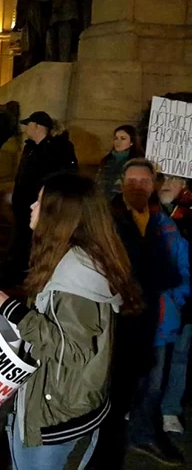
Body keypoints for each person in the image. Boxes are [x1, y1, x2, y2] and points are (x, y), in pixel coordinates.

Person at [0, 173, 141, 470]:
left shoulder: (76, 274)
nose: (31, 206)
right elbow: (43, 324)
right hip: (49, 400)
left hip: (57, 414)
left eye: (40, 202)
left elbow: (72, 351)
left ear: (59, 214)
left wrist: (12, 310)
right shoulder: (68, 261)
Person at [106, 158, 188, 467]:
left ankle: (142, 434)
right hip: (122, 321)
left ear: (153, 185)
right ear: (122, 184)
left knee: (153, 385)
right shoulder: (109, 221)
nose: (138, 186)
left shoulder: (166, 224)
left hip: (160, 319)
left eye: (144, 181)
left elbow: (182, 269)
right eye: (131, 181)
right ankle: (108, 439)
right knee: (117, 385)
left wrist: (177, 298)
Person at [8, 111, 77, 283]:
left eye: (28, 125)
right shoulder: (30, 148)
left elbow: (63, 178)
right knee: (22, 241)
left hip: (45, 207)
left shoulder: (58, 148)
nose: (25, 129)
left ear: (37, 126)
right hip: (24, 205)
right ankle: (19, 273)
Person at [158, 174, 192, 434]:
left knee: (179, 357)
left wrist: (180, 298)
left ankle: (170, 410)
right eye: (163, 178)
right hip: (152, 303)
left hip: (184, 303)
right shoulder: (145, 212)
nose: (166, 183)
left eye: (174, 178)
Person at [95, 125, 144, 201]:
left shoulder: (137, 163)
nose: (118, 142)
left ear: (132, 142)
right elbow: (97, 181)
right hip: (102, 203)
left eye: (123, 138)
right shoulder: (106, 160)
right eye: (116, 138)